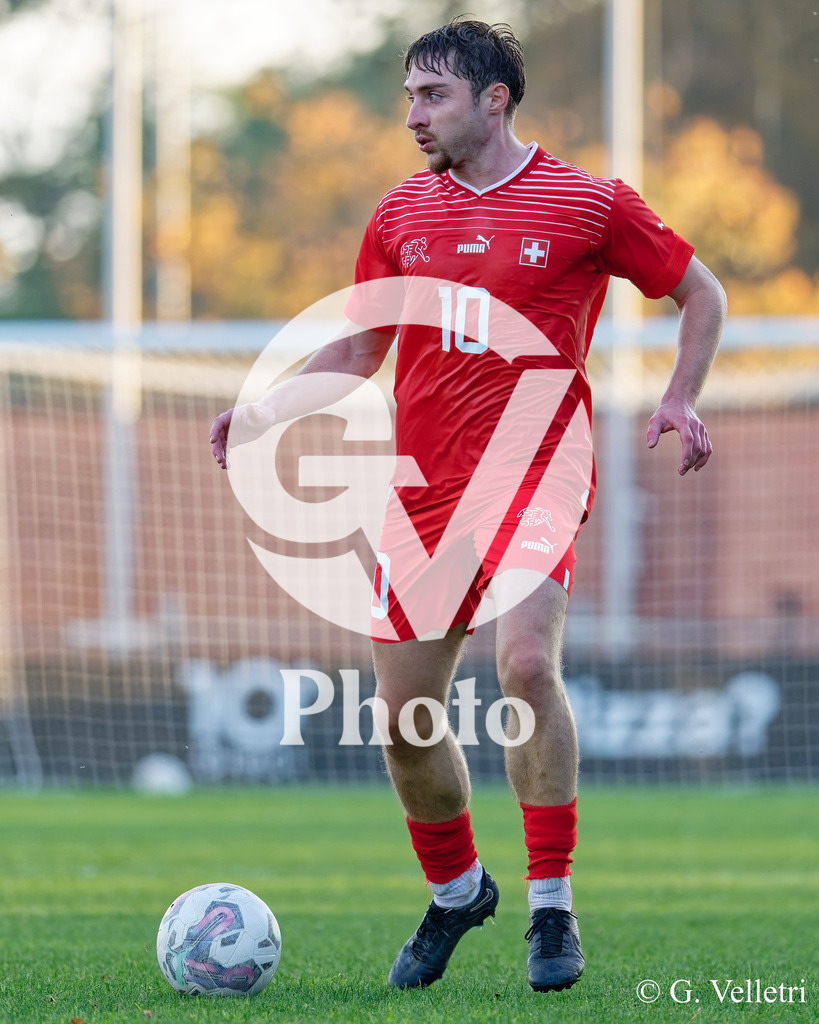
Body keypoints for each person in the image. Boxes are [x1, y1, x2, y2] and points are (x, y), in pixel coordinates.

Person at [210, 18, 726, 994]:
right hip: (423, 495)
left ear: (494, 99)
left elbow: (701, 291)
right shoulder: (401, 214)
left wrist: (679, 395)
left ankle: (551, 906)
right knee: (403, 720)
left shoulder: (589, 203)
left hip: (538, 470)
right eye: (408, 96)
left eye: (432, 95)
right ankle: (458, 894)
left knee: (527, 663)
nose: (413, 115)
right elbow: (360, 347)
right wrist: (268, 406)